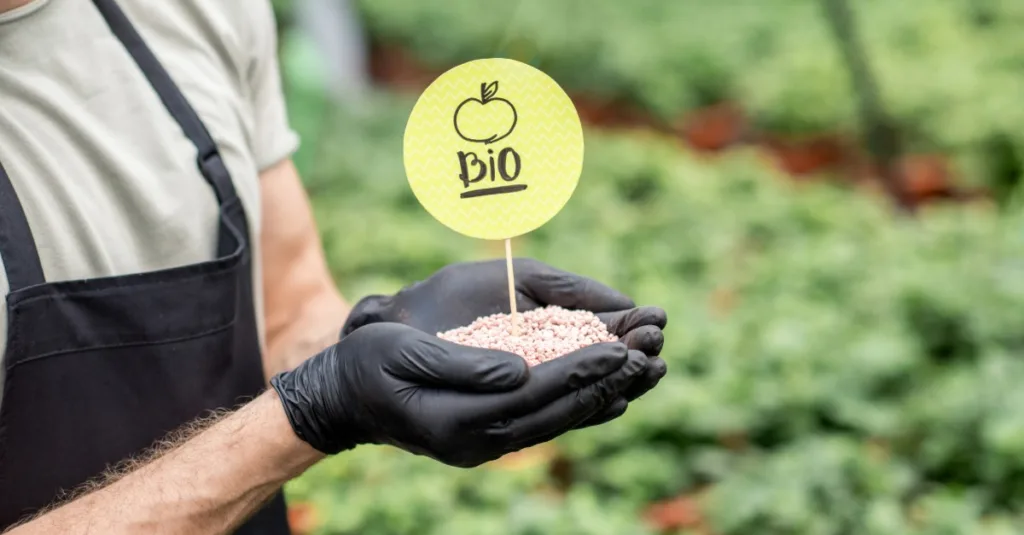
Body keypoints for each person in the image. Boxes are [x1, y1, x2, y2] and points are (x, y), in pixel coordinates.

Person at [0, 1, 668, 533]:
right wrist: (309, 411)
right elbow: (311, 400)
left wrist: (376, 332)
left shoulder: (199, 12)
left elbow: (288, 303)